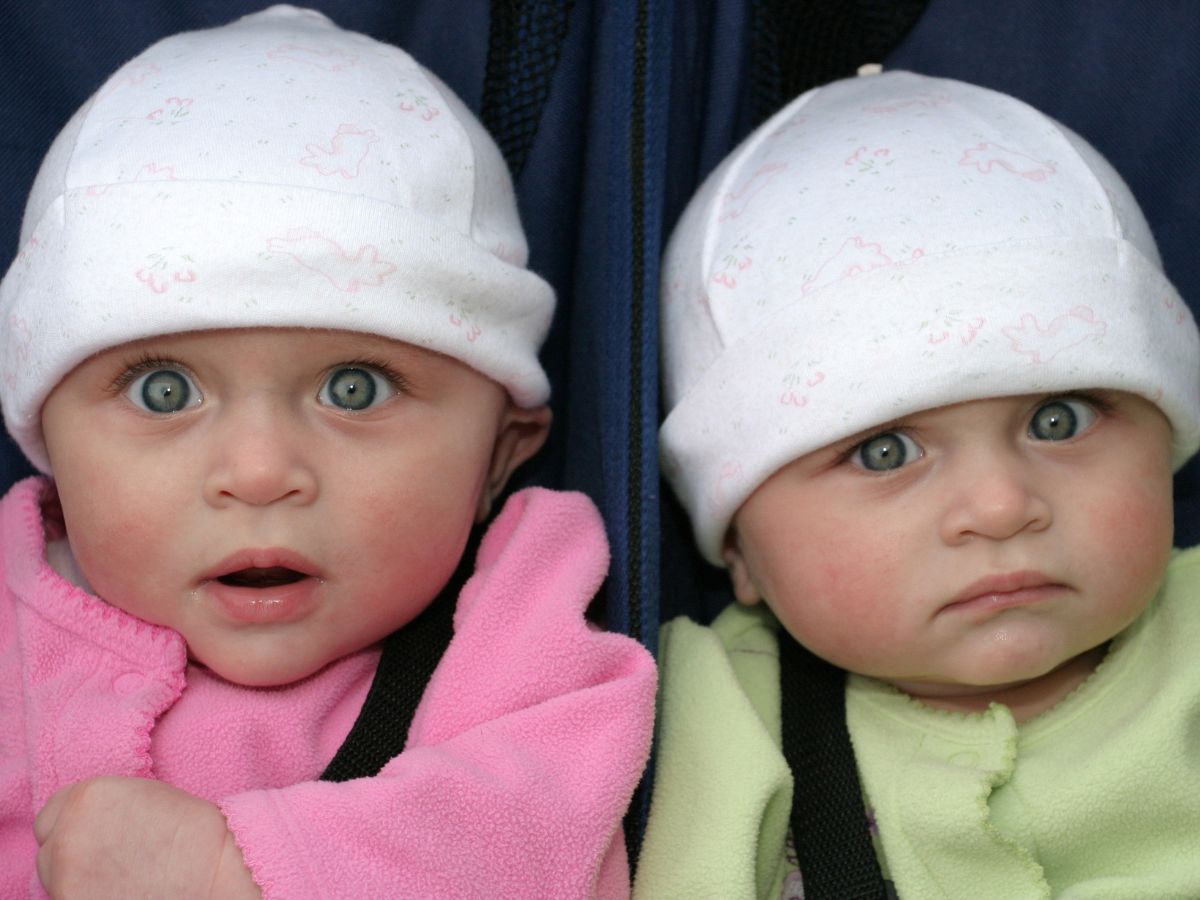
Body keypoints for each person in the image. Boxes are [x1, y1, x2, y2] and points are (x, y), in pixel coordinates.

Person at [0, 6, 656, 897]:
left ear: (499, 456)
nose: (262, 472)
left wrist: (235, 870)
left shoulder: (520, 619)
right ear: (47, 441)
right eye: (165, 392)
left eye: (357, 388)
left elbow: (543, 836)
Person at [635, 68, 1200, 898]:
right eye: (886, 452)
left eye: (1060, 419)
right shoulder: (719, 715)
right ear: (740, 550)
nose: (1001, 506)